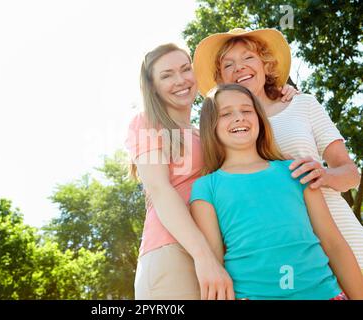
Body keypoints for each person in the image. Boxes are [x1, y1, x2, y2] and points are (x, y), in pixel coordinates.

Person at [125, 43, 297, 299]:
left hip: (217, 253)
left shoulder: (204, 133)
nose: (180, 80)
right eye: (167, 75)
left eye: (185, 69)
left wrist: (274, 95)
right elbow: (160, 190)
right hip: (173, 251)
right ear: (152, 86)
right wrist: (203, 256)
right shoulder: (148, 122)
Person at [193, 28, 363, 271]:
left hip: (342, 233)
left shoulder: (302, 104)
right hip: (284, 252)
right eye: (228, 64)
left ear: (266, 65)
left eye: (248, 57)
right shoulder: (223, 130)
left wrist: (324, 176)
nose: (239, 67)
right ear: (220, 79)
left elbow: (350, 173)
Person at [190, 83, 363, 299]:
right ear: (210, 125)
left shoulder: (296, 170)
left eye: (246, 110)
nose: (239, 117)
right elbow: (214, 264)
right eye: (226, 113)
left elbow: (333, 243)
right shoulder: (206, 187)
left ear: (260, 120)